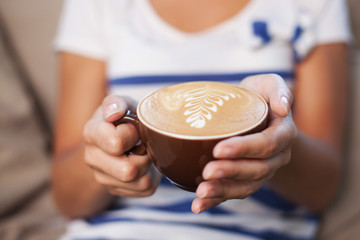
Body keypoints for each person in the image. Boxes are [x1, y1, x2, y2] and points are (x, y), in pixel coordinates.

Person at [51, 0, 351, 239]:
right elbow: (68, 201)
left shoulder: (314, 4)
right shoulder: (96, 4)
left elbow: (321, 191)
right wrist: (107, 148)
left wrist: (273, 138)